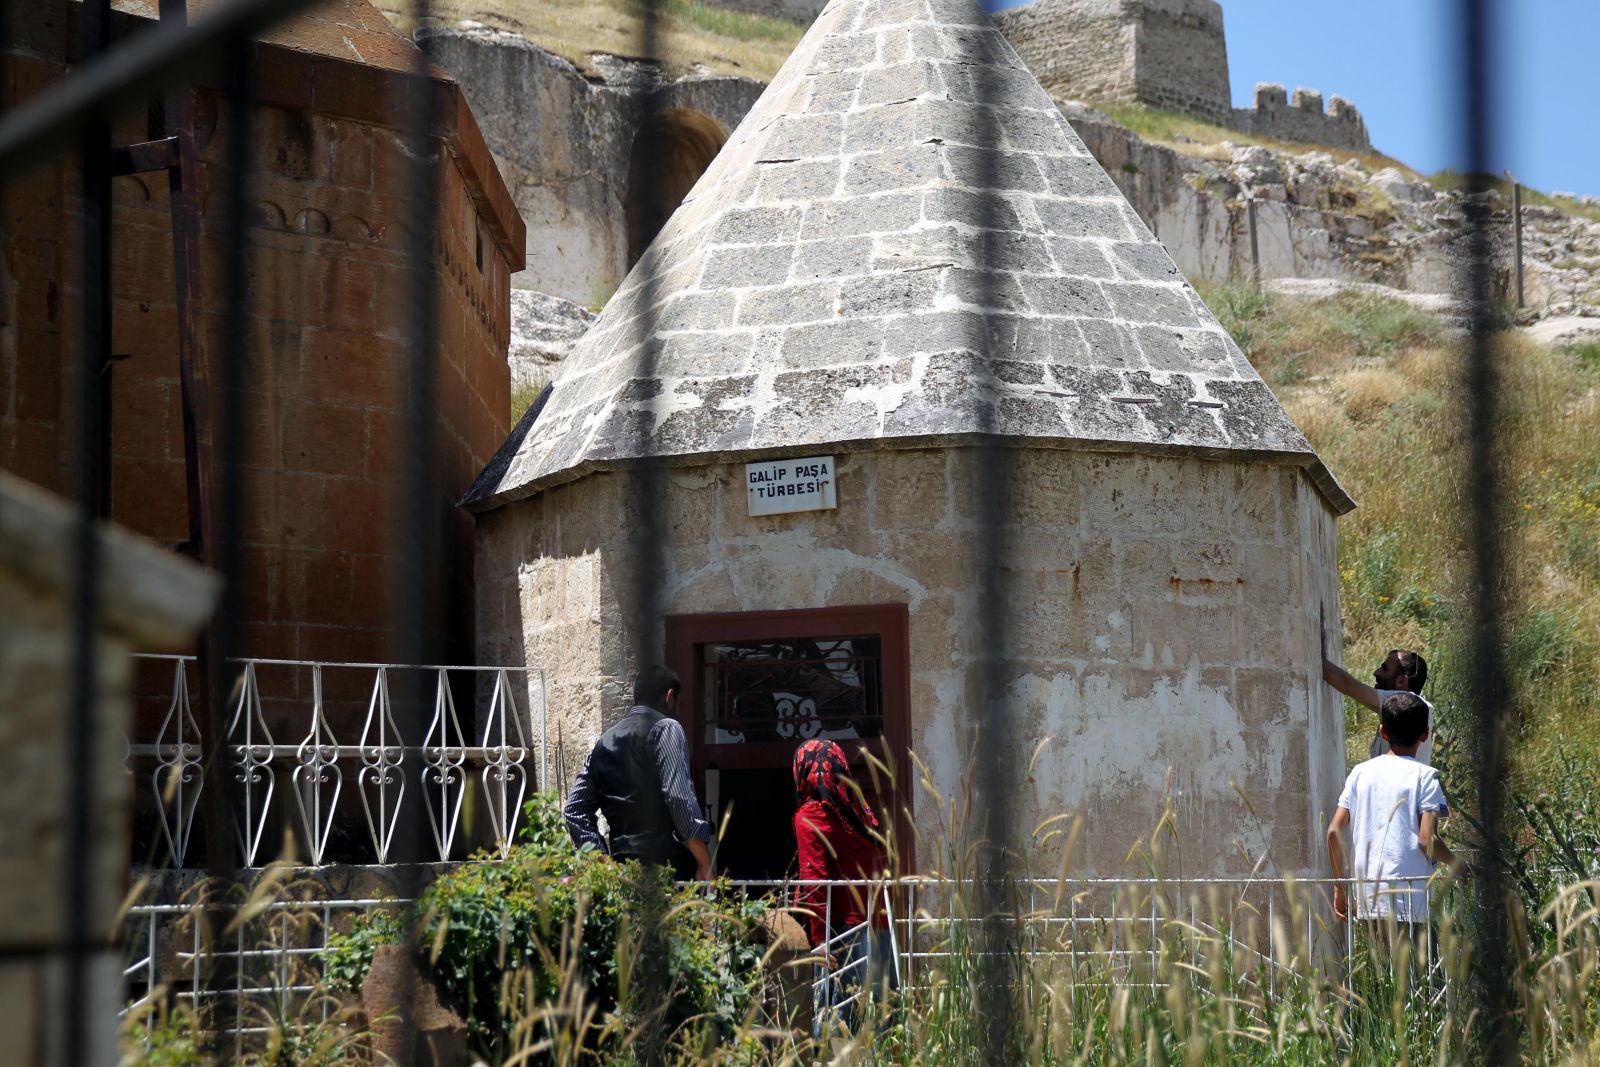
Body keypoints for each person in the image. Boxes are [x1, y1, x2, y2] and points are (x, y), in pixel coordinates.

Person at [1326, 692, 1458, 963]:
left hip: (1369, 900)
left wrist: (1340, 888)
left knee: (1381, 977)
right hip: (1412, 903)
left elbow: (1333, 832)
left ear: (1383, 732)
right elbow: (1427, 840)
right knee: (1422, 982)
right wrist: (1460, 866)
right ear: (1425, 734)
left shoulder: (1359, 773)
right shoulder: (1426, 777)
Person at [564, 665, 713, 881]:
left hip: (622, 871)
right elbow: (679, 798)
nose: (679, 711)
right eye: (679, 704)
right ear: (669, 697)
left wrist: (605, 863)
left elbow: (574, 810)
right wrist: (704, 861)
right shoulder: (667, 728)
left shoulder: (603, 742)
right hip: (667, 868)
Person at [792, 739, 896, 1039]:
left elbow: (815, 880)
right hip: (879, 929)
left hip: (842, 934)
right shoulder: (860, 814)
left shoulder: (811, 815)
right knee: (880, 1030)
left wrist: (818, 940)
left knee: (836, 1029)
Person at [1323, 647, 1436, 765]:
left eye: (1384, 669)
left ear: (1401, 681)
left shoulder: (1409, 705)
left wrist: (1314, 658)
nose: (1376, 672)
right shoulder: (1408, 708)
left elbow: (1347, 685)